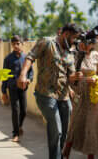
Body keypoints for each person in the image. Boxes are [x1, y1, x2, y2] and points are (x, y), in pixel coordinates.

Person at [17, 23, 82, 159]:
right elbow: (30, 57)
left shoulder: (71, 51)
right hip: (46, 93)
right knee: (56, 129)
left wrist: (75, 78)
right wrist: (23, 74)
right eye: (73, 38)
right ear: (65, 34)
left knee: (64, 132)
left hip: (63, 95)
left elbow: (69, 76)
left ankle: (58, 155)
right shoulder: (47, 43)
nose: (74, 42)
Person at [62, 33, 98, 159]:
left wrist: (96, 78)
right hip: (79, 94)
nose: (83, 45)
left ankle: (90, 155)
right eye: (81, 42)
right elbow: (67, 75)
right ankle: (67, 149)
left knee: (92, 125)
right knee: (76, 122)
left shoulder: (96, 56)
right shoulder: (73, 55)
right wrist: (72, 87)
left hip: (93, 96)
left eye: (86, 43)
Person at [2, 35, 34, 142]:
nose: (15, 46)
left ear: (22, 44)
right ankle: (15, 134)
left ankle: (19, 126)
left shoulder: (26, 58)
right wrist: (3, 92)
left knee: (24, 110)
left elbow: (31, 72)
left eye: (17, 44)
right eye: (13, 44)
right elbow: (4, 75)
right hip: (12, 87)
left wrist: (29, 79)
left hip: (23, 87)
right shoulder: (8, 59)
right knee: (15, 109)